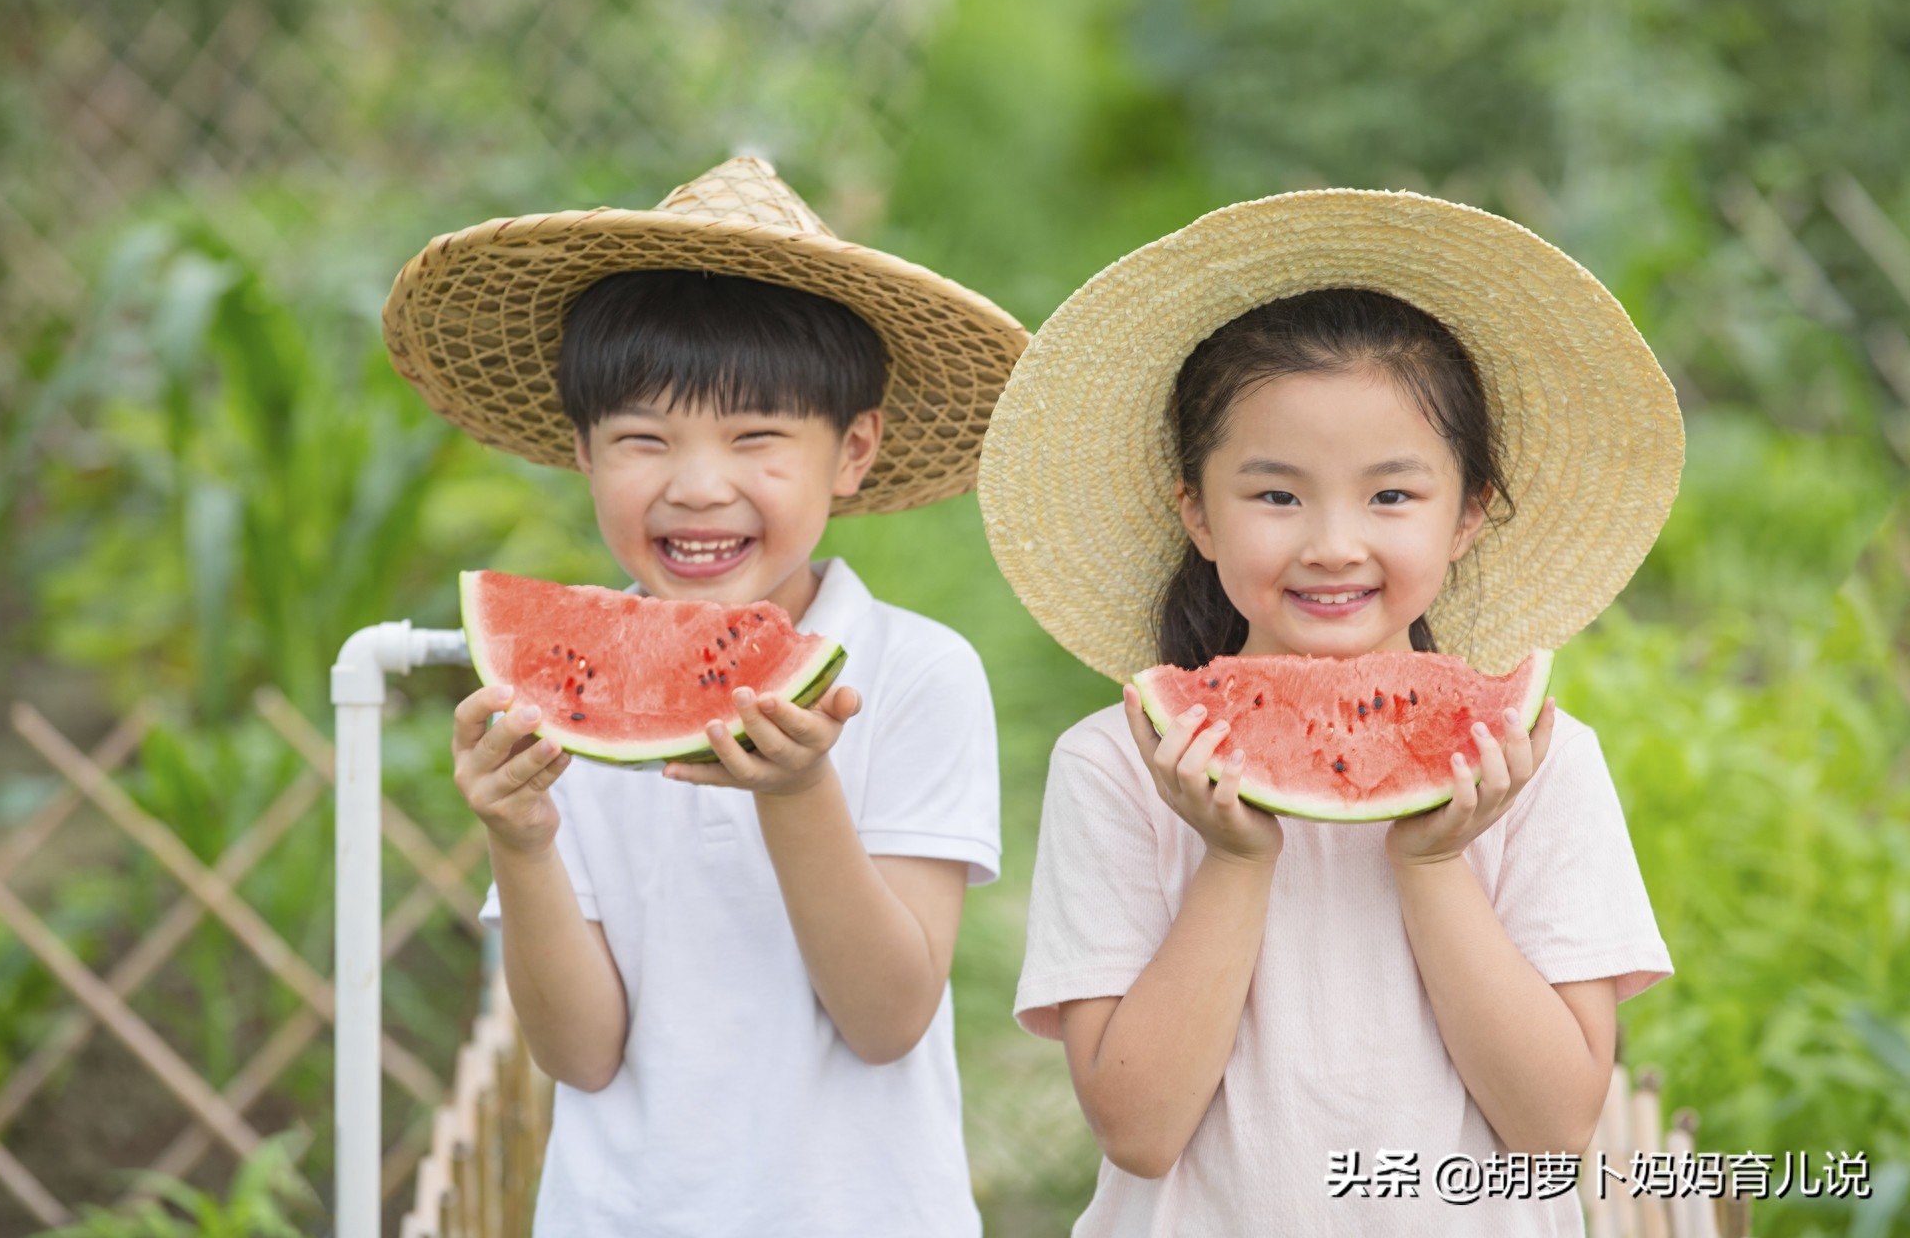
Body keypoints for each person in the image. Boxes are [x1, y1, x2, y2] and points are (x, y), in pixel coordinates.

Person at [977, 190, 1683, 1235]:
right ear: (1196, 510)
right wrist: (1234, 857)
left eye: (1392, 496)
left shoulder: (1539, 763)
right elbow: (1137, 1127)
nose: (1334, 544)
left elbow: (1553, 1128)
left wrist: (1435, 863)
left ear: (1469, 513)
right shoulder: (1120, 763)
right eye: (1277, 495)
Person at [382, 155, 1028, 1236]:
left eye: (756, 437)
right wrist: (522, 838)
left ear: (852, 451)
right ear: (584, 453)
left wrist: (797, 790)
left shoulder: (917, 673)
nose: (696, 483)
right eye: (644, 438)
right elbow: (579, 1052)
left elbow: (886, 1016)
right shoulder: (564, 691)